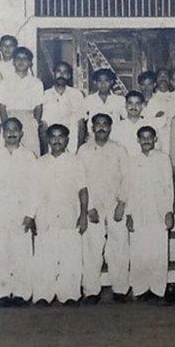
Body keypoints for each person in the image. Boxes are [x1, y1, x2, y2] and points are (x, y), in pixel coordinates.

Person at [32, 125, 89, 304]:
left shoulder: (75, 161)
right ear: (48, 140)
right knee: (44, 257)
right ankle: (43, 294)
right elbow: (33, 192)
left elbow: (83, 189)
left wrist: (83, 214)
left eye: (61, 137)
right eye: (53, 137)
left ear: (67, 140)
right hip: (45, 216)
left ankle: (70, 294)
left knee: (70, 257)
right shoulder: (40, 162)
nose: (57, 140)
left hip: (68, 215)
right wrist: (32, 215)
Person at [77, 114, 131, 299]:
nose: (101, 127)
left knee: (119, 246)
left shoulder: (119, 149)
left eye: (105, 125)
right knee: (92, 247)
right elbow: (80, 180)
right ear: (92, 128)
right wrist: (88, 207)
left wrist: (122, 203)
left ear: (110, 128)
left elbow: (127, 178)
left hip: (115, 203)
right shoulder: (83, 151)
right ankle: (91, 291)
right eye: (97, 124)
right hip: (93, 205)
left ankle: (121, 289)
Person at [0, 118, 38, 301]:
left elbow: (34, 188)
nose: (12, 133)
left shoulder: (29, 156)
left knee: (21, 253)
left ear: (22, 133)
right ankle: (2, 293)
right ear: (3, 133)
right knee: (0, 253)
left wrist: (30, 214)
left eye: (16, 129)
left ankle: (21, 293)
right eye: (8, 129)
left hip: (21, 212)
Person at [118, 126, 174, 298]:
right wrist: (128, 214)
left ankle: (158, 289)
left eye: (150, 137)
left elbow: (168, 186)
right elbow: (127, 188)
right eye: (142, 138)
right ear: (138, 140)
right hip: (138, 211)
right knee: (139, 251)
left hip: (159, 210)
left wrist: (168, 212)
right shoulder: (132, 161)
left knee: (158, 250)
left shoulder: (163, 159)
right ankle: (140, 288)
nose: (146, 140)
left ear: (155, 139)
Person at [0, 47, 44, 157]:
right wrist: (6, 125)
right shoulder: (4, 82)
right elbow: (2, 107)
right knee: (8, 154)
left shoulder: (36, 83)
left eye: (25, 58)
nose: (21, 61)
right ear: (13, 62)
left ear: (30, 63)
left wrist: (34, 124)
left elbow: (38, 107)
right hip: (10, 119)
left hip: (28, 120)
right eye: (18, 58)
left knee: (31, 152)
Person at [40, 61, 86, 154]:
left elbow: (81, 125)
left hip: (72, 143)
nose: (61, 74)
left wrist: (79, 150)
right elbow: (43, 127)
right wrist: (45, 152)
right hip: (52, 144)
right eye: (59, 71)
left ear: (69, 76)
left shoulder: (76, 94)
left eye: (65, 72)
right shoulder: (45, 95)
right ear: (53, 74)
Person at [81, 69, 125, 144]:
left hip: (115, 139)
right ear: (95, 82)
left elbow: (125, 119)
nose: (103, 84)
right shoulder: (88, 100)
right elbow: (82, 121)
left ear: (111, 82)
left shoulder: (120, 100)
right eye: (100, 81)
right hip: (93, 140)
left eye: (106, 80)